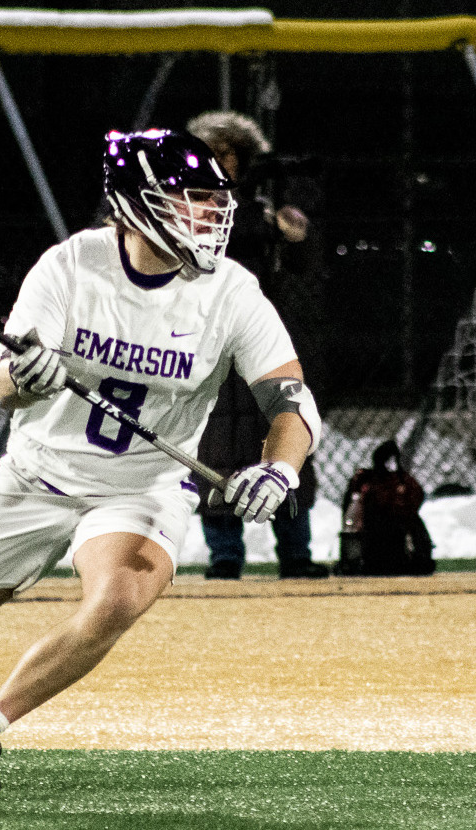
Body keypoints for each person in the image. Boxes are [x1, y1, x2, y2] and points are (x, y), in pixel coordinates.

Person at [0, 128, 325, 801]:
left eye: (216, 202)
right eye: (192, 200)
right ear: (133, 203)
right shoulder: (70, 266)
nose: (210, 215)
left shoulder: (230, 290)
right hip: (36, 475)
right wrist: (28, 375)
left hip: (142, 487)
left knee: (118, 595)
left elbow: (288, 398)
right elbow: (1, 386)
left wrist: (279, 471)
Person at [185, 110, 329, 580]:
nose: (223, 163)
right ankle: (225, 554)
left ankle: (295, 553)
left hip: (265, 339)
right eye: (214, 153)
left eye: (231, 154)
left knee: (284, 439)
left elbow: (304, 274)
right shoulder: (186, 207)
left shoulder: (268, 205)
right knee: (216, 449)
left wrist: (296, 237)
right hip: (209, 341)